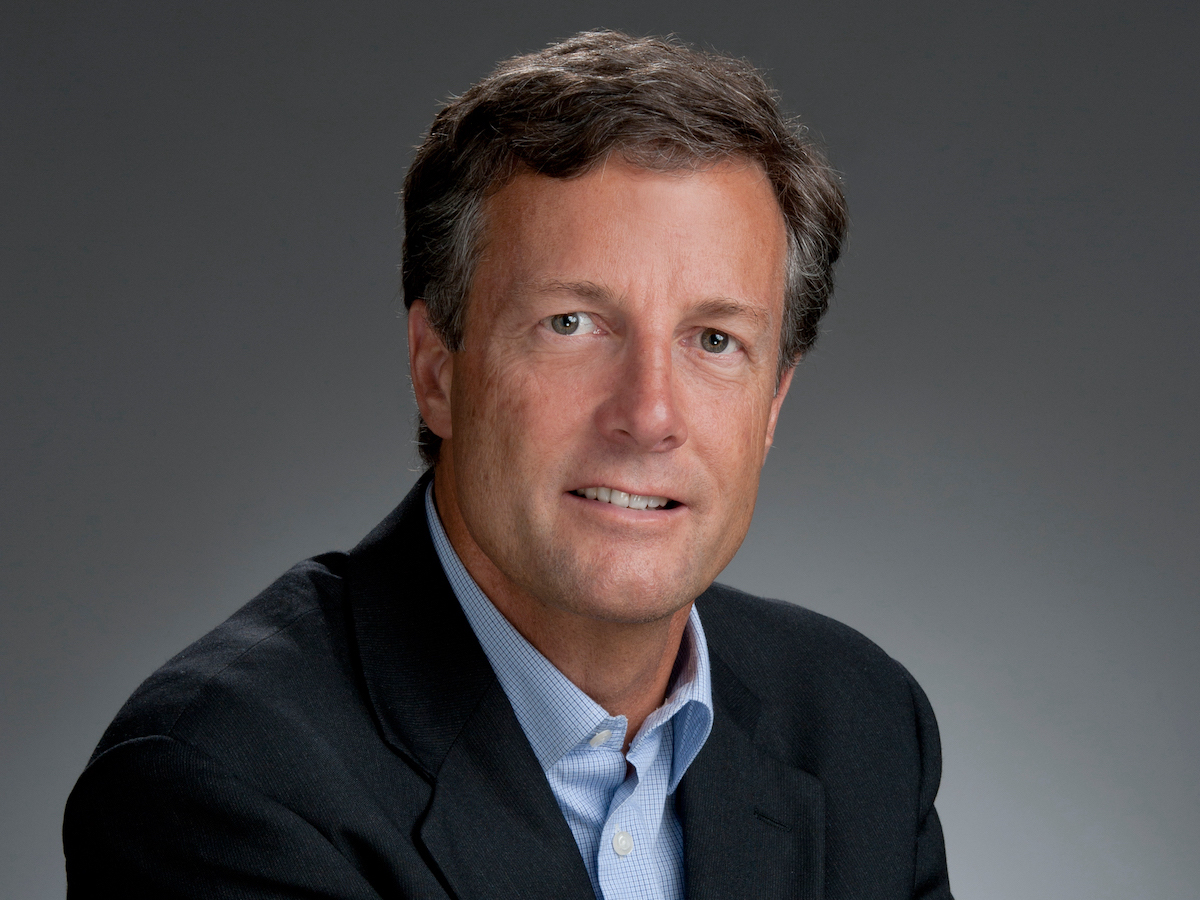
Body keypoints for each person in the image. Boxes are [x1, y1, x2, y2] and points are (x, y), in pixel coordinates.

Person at [64, 30, 952, 900]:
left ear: (773, 406)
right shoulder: (221, 786)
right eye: (570, 324)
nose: (648, 416)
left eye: (715, 340)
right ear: (437, 369)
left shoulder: (864, 729)